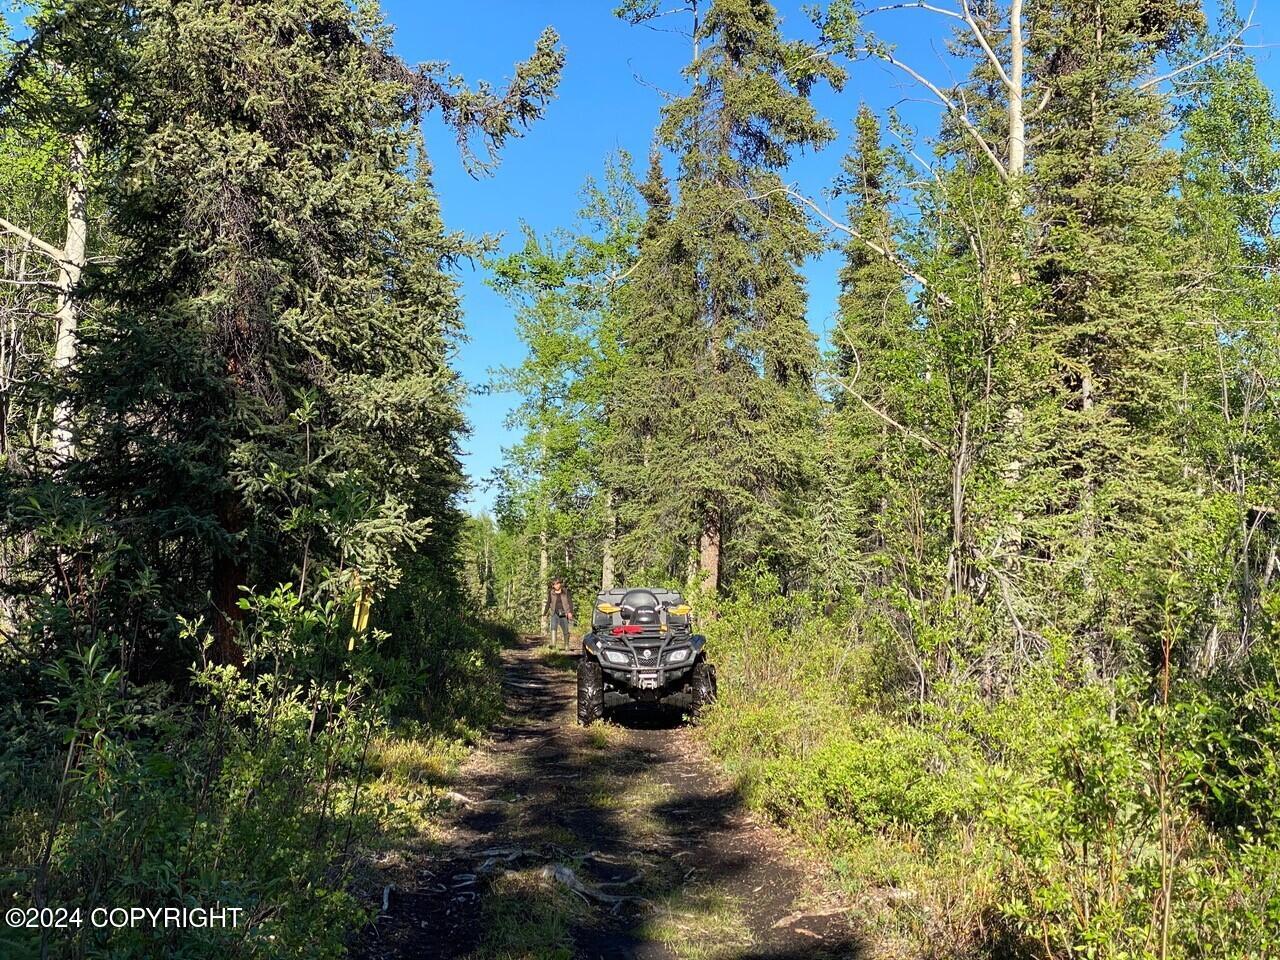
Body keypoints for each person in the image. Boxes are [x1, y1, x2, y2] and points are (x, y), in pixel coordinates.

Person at [544, 577, 575, 651]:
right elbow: (548, 603)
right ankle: (553, 645)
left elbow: (570, 602)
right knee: (553, 628)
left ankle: (566, 646)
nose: (556, 585)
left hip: (564, 613)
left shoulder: (566, 592)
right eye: (555, 584)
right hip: (554, 613)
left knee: (565, 630)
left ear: (560, 584)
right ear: (553, 586)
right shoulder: (551, 593)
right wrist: (545, 613)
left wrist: (570, 612)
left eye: (558, 583)